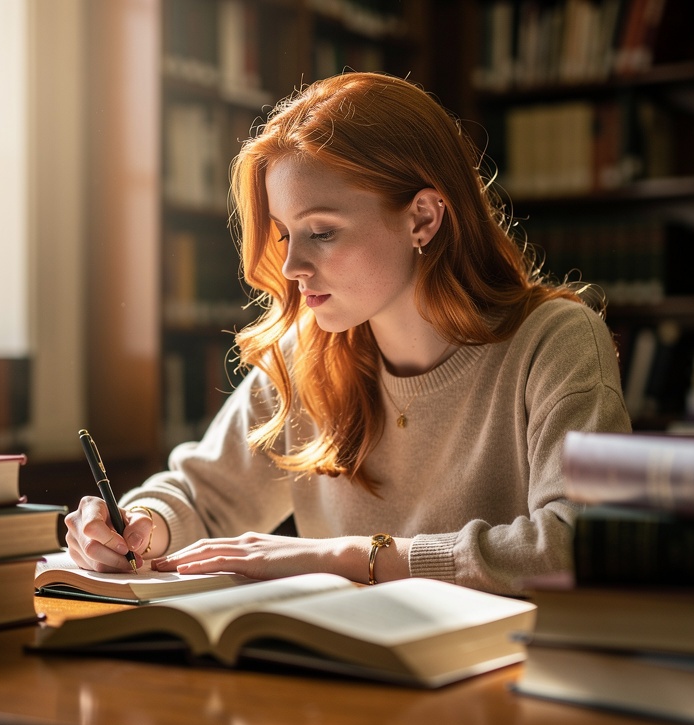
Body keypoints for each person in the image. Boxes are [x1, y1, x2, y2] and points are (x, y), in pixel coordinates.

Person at [64, 71, 631, 596]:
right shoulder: (307, 354)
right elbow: (202, 497)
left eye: (322, 232)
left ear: (423, 219)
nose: (291, 268)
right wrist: (138, 526)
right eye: (286, 234)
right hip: (344, 679)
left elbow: (575, 546)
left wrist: (347, 557)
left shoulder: (556, 343)